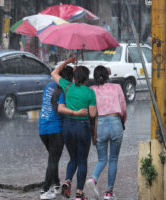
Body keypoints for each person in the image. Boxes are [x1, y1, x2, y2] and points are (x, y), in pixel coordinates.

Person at [39, 66, 88, 200]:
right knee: (53, 160)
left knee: (52, 158)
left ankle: (56, 185)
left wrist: (68, 64)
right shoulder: (65, 90)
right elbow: (63, 109)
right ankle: (44, 190)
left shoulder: (49, 85)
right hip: (55, 129)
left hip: (42, 127)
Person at [51, 57, 97, 200]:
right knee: (82, 160)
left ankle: (67, 180)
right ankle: (79, 193)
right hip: (82, 127)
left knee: (73, 159)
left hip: (68, 127)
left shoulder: (67, 87)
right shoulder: (90, 92)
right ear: (86, 79)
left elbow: (54, 73)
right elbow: (93, 114)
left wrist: (67, 61)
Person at [85, 66, 127, 200]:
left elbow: (90, 112)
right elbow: (123, 108)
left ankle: (93, 179)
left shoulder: (91, 90)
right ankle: (108, 193)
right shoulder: (117, 87)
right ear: (107, 76)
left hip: (100, 124)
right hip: (115, 122)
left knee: (102, 159)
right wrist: (123, 122)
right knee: (113, 159)